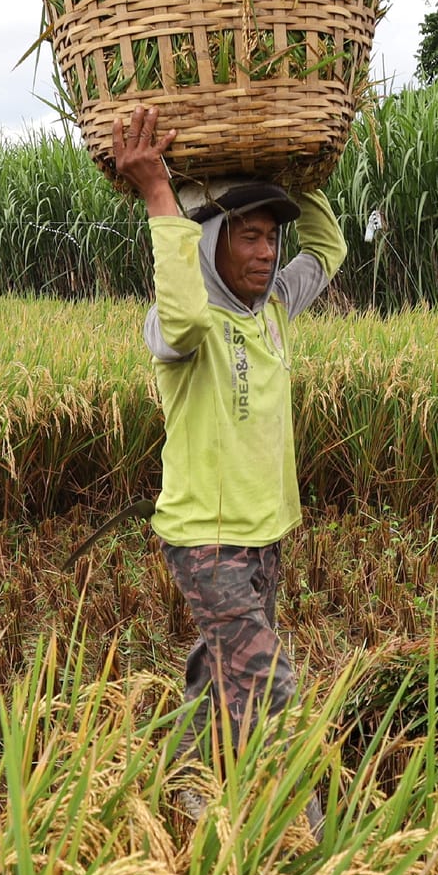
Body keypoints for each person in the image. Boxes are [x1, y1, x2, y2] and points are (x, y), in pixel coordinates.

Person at [112, 105, 348, 830]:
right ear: (211, 239)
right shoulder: (183, 327)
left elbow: (328, 247)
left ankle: (182, 781)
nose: (267, 252)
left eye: (272, 237)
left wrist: (296, 174)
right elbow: (182, 314)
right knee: (265, 680)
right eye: (249, 235)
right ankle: (305, 836)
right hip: (208, 541)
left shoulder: (271, 309)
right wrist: (159, 193)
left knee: (220, 668)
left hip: (264, 534)